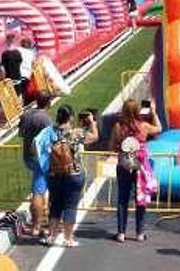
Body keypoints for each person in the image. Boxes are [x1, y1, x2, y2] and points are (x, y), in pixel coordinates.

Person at [36, 105, 98, 247]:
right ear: (70, 117)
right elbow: (94, 137)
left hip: (54, 174)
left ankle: (51, 236)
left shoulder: (48, 132)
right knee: (70, 206)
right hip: (73, 173)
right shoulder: (75, 133)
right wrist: (92, 122)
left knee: (55, 205)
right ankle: (68, 238)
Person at [109, 99, 162, 243]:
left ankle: (121, 232)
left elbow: (112, 147)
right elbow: (159, 128)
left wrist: (122, 148)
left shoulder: (118, 127)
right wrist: (153, 112)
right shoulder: (143, 126)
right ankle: (139, 232)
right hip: (140, 166)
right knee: (141, 198)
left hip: (124, 164)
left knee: (122, 198)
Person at [18, 93, 53, 237]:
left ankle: (37, 220)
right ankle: (36, 226)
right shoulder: (45, 119)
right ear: (49, 103)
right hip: (41, 159)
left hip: (27, 156)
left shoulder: (26, 115)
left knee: (36, 190)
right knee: (38, 192)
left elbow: (20, 133)